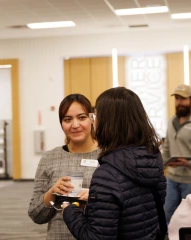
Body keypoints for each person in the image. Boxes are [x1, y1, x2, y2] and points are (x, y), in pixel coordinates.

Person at [62, 87, 167, 239]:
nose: (93, 122)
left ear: (108, 122)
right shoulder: (152, 158)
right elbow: (140, 208)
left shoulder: (107, 175)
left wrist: (69, 210)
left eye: (95, 116)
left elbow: (96, 237)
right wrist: (100, 199)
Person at [28, 93, 99, 240]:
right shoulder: (50, 158)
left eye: (81, 117)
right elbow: (36, 214)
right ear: (61, 124)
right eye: (67, 119)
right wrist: (52, 193)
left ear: (92, 119)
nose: (75, 125)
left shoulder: (108, 156)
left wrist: (95, 197)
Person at [162, 84, 191, 224]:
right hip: (171, 179)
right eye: (177, 98)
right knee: (167, 213)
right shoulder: (171, 121)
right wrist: (160, 167)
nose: (179, 102)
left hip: (189, 180)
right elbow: (166, 148)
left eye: (183, 99)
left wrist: (188, 163)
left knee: (188, 219)